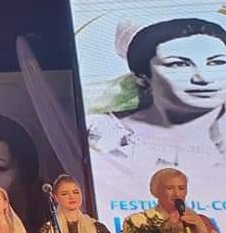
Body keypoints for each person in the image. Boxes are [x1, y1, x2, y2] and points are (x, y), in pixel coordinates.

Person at [88, 17, 226, 171]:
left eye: (217, 63)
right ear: (141, 77)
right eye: (178, 64)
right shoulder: (101, 133)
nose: (203, 78)